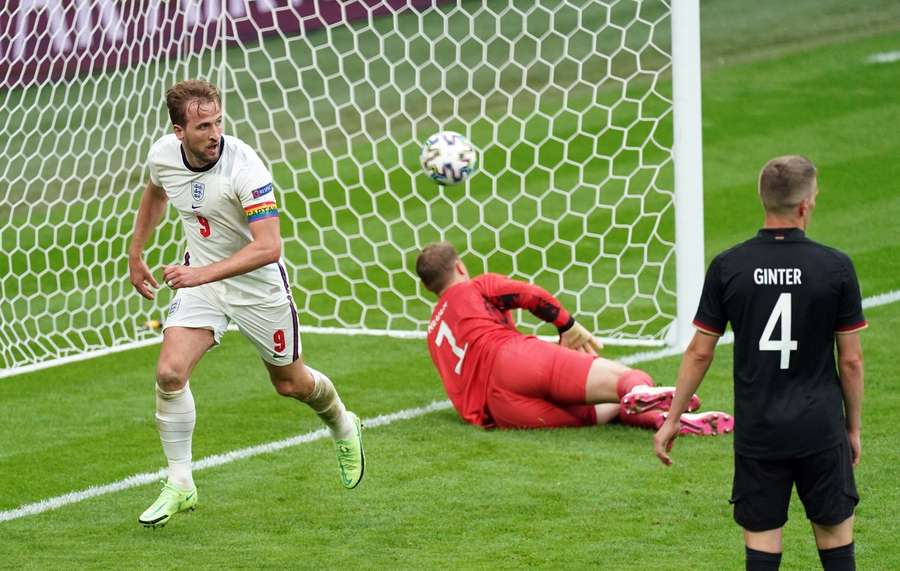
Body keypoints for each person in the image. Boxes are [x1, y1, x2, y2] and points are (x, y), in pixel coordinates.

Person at [128, 79, 364, 528]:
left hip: (256, 287)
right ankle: (180, 483)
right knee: (169, 372)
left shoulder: (245, 168)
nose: (214, 132)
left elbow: (268, 247)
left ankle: (343, 425)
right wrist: (136, 253)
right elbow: (156, 192)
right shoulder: (162, 155)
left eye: (217, 121)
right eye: (202, 126)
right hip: (202, 282)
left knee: (291, 384)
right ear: (179, 131)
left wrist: (199, 273)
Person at [653, 156, 866, 571]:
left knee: (762, 549)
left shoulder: (729, 266)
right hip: (820, 428)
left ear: (762, 197)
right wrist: (852, 428)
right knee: (836, 542)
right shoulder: (835, 267)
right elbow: (852, 360)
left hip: (759, 431)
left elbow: (700, 351)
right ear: (805, 204)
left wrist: (673, 418)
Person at [414, 242, 734, 433]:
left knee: (602, 412)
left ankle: (664, 421)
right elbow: (528, 294)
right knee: (625, 380)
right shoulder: (473, 286)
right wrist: (567, 326)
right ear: (459, 266)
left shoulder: (432, 333)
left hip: (500, 411)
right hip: (512, 359)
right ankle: (643, 391)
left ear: (428, 286)